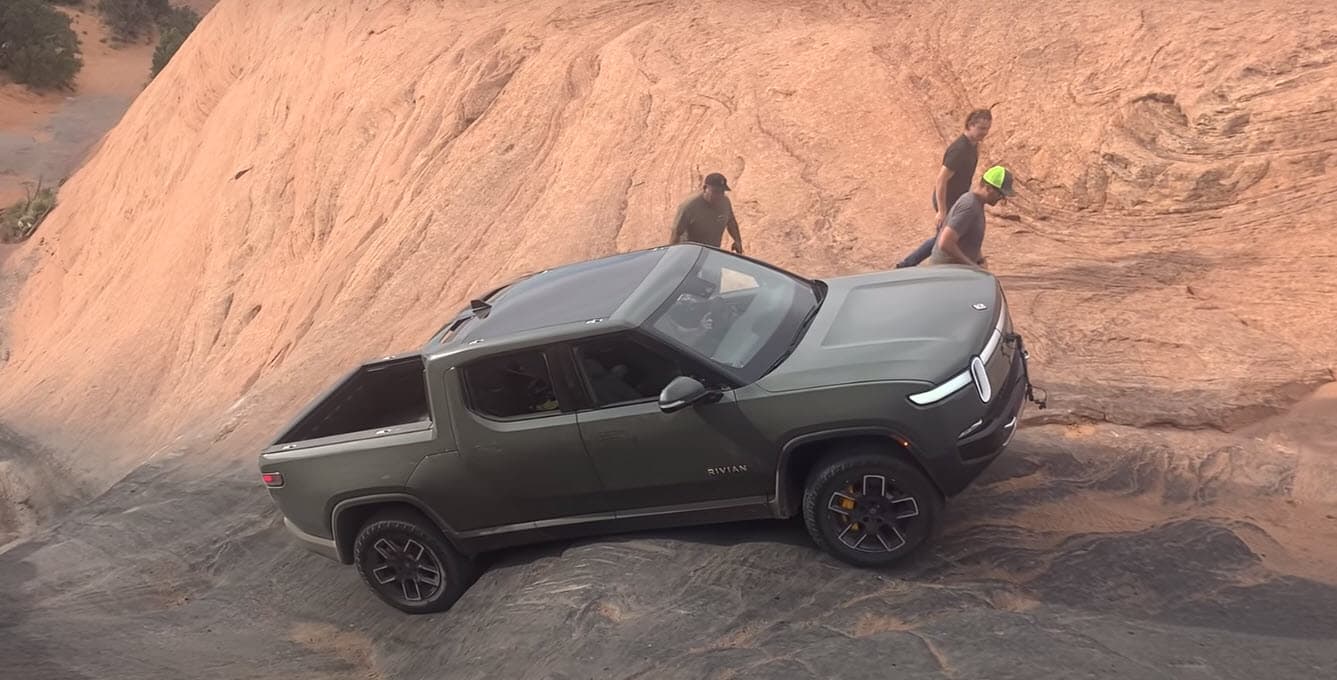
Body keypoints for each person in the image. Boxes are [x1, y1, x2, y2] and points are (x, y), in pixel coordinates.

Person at [895, 109, 993, 268]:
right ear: (970, 125)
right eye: (981, 128)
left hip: (958, 198)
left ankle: (907, 264)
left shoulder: (974, 146)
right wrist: (942, 211)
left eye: (987, 128)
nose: (985, 132)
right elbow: (941, 179)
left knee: (949, 235)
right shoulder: (959, 149)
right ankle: (906, 265)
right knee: (943, 237)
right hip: (947, 199)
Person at [927, 165, 1015, 270]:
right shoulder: (969, 205)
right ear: (988, 188)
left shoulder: (977, 204)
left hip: (956, 270)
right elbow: (945, 242)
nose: (1001, 199)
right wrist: (972, 266)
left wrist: (980, 260)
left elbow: (971, 239)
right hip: (947, 271)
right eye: (1000, 195)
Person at [669, 172, 743, 254]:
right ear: (705, 188)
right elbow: (676, 232)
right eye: (715, 192)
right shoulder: (690, 206)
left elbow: (731, 222)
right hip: (690, 252)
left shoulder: (725, 202)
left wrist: (737, 241)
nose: (719, 196)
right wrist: (672, 254)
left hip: (712, 252)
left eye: (722, 192)